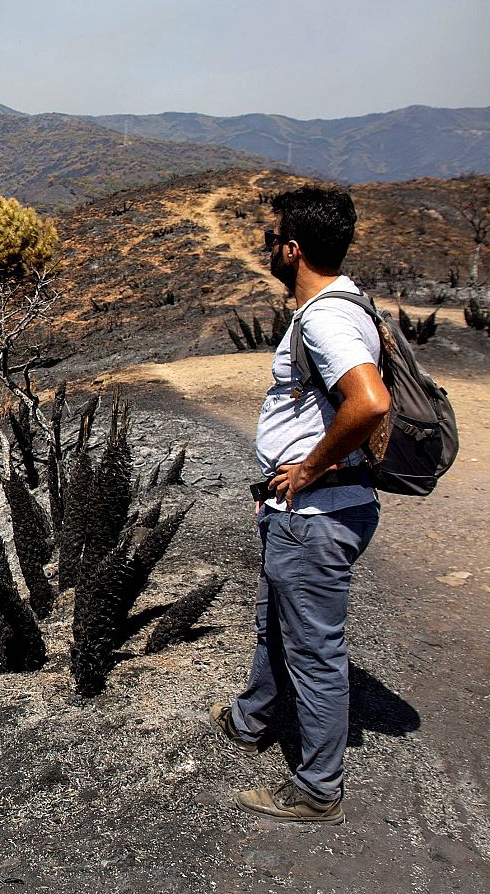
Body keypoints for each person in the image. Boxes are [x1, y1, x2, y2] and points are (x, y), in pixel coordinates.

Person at [209, 184, 391, 824]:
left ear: (292, 249)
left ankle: (318, 787)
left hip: (316, 515)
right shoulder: (344, 304)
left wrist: (310, 470)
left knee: (314, 648)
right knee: (274, 624)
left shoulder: (325, 318)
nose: (266, 248)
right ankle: (251, 719)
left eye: (270, 239)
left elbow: (369, 402)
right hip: (303, 513)